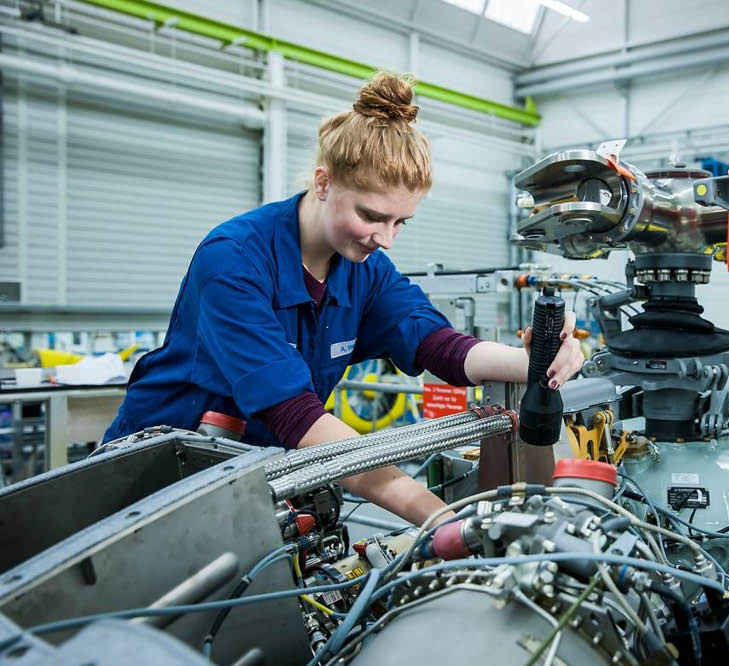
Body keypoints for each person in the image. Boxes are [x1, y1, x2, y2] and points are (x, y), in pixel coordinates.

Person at [104, 72, 583, 526]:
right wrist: (443, 519)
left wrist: (536, 361)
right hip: (153, 482)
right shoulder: (234, 259)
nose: (386, 239)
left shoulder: (364, 269)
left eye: (400, 222)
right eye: (372, 215)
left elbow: (438, 344)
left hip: (252, 478)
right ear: (322, 182)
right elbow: (295, 416)